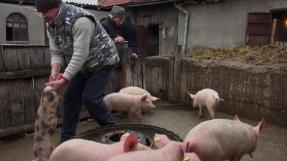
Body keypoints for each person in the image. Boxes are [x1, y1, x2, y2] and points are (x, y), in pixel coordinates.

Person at [34, 0, 119, 143]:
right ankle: (67, 141)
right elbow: (56, 51)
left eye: (45, 12)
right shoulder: (51, 23)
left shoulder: (81, 20)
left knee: (91, 98)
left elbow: (80, 54)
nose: (43, 16)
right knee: (71, 97)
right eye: (40, 12)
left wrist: (64, 79)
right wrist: (54, 71)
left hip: (102, 62)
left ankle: (117, 133)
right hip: (82, 66)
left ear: (56, 7)